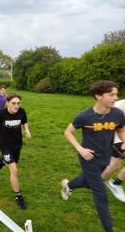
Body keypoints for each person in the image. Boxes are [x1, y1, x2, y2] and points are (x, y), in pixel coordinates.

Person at [61, 80, 125, 232]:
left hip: (105, 156)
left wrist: (124, 142)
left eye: (116, 94)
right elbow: (68, 132)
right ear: (98, 96)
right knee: (101, 194)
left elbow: (121, 129)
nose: (115, 98)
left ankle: (68, 185)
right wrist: (80, 149)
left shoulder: (117, 114)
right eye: (111, 95)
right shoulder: (85, 116)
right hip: (88, 158)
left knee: (89, 182)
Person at [0, 93, 31, 209]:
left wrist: (27, 130)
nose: (16, 106)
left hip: (17, 144)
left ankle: (2, 160)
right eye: (14, 103)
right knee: (14, 170)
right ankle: (18, 196)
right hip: (5, 145)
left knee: (13, 165)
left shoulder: (21, 112)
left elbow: (24, 122)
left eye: (18, 103)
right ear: (7, 103)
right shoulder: (0, 114)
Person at [101, 99, 125, 202]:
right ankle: (95, 182)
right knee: (115, 164)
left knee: (114, 164)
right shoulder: (119, 106)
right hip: (115, 137)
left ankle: (115, 183)